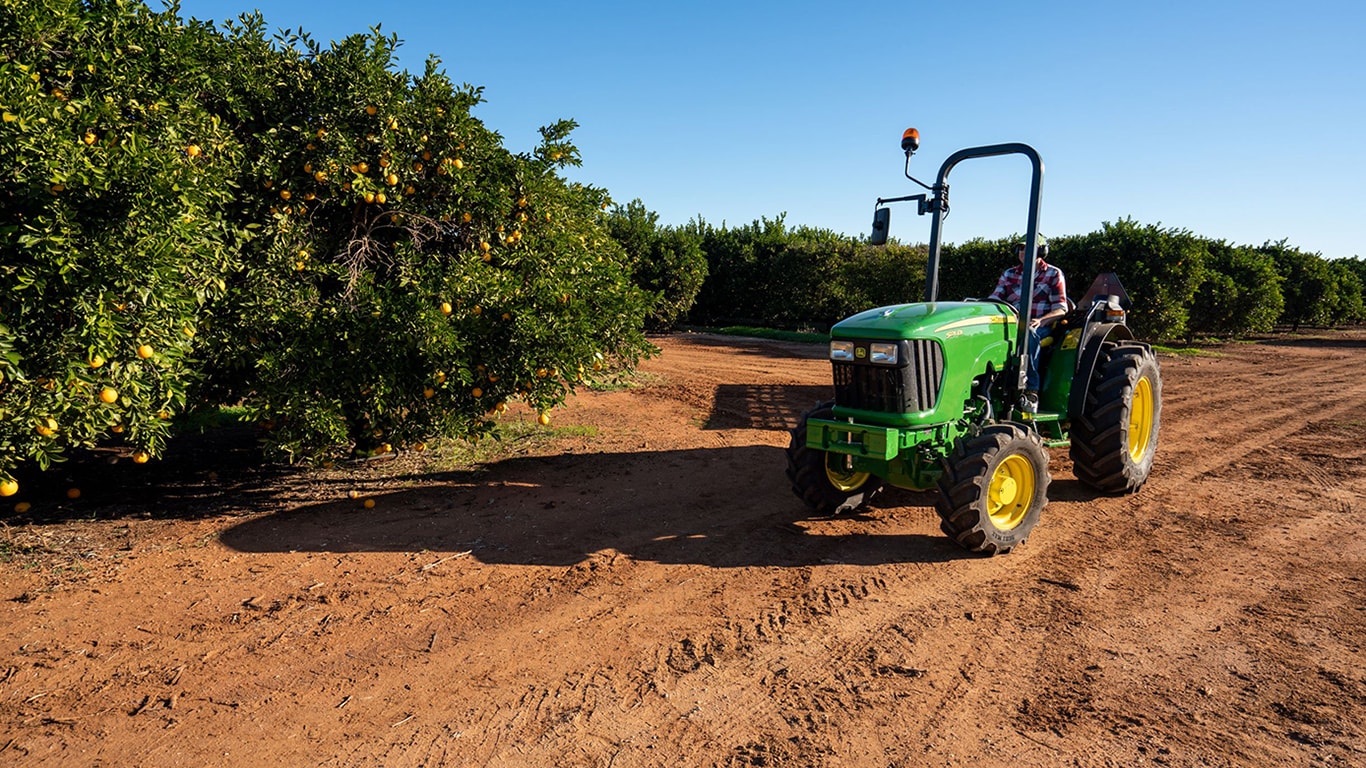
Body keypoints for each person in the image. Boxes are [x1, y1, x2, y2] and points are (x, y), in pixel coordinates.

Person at [990, 240, 1068, 412]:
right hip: (1013, 323)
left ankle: (1030, 390)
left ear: (1042, 251)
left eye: (1028, 248)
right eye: (1021, 248)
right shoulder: (1009, 274)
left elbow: (1061, 309)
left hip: (1040, 325)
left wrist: (1041, 320)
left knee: (1028, 333)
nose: (1023, 252)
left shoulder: (1053, 274)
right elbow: (995, 298)